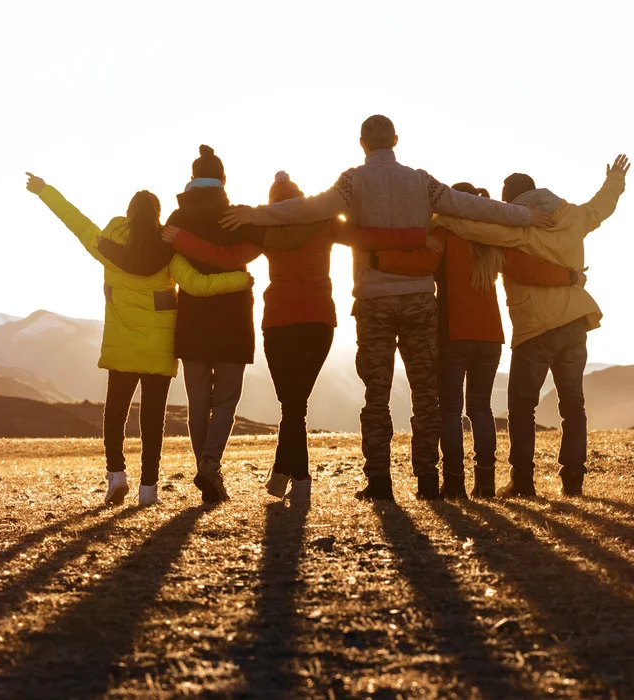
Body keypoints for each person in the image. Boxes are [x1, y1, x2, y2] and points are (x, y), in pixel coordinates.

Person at [221, 115, 550, 503]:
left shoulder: (352, 181)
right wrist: (527, 216)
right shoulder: (421, 180)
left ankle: (379, 483)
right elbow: (472, 208)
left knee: (375, 395)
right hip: (418, 299)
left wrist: (255, 213)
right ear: (395, 140)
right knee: (425, 395)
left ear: (362, 143)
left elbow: (307, 209)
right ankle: (428, 481)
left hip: (374, 299)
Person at [165, 171, 426, 506]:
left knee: (292, 406)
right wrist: (417, 237)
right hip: (319, 323)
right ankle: (287, 477)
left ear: (273, 205)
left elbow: (224, 257)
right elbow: (368, 237)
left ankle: (296, 479)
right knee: (294, 406)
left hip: (279, 323)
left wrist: (180, 240)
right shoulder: (325, 221)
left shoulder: (266, 229)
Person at [24, 172, 252, 507]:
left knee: (115, 414)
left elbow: (73, 218)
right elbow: (198, 285)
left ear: (129, 215)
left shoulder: (106, 246)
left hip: (122, 348)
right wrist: (239, 280)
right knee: (152, 421)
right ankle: (149, 489)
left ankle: (116, 476)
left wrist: (44, 190)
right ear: (157, 216)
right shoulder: (169, 254)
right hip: (158, 351)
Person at [432, 154, 630, 497]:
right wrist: (615, 180)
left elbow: (477, 228)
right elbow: (602, 207)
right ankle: (573, 482)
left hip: (535, 329)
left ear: (509, 201)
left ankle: (522, 482)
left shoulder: (516, 226)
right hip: (574, 323)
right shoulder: (574, 217)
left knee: (522, 408)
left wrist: (441, 217)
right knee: (573, 405)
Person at [374, 183, 584, 498]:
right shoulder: (493, 241)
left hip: (454, 333)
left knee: (451, 409)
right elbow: (528, 269)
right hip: (491, 337)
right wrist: (569, 276)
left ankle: (455, 483)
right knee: (481, 408)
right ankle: (484, 484)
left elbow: (420, 264)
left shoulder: (444, 234)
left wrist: (378, 260)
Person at [164, 145, 269, 505]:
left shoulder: (177, 218)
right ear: (223, 180)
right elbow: (258, 244)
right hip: (232, 319)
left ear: (192, 180)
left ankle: (205, 467)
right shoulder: (236, 216)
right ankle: (210, 464)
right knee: (225, 401)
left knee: (198, 401)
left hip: (191, 321)